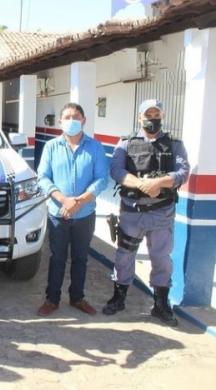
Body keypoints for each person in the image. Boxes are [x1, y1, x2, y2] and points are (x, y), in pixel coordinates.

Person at [102, 99, 189, 326]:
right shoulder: (125, 143)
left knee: (161, 259)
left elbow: (182, 171)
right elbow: (117, 170)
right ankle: (118, 298)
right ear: (140, 118)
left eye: (156, 114)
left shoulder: (175, 144)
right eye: (148, 114)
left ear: (162, 116)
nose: (152, 118)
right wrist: (142, 185)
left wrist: (159, 182)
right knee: (124, 256)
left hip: (161, 213)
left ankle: (160, 304)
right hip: (132, 213)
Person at [36, 102, 109, 317]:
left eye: (75, 116)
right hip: (58, 213)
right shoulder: (51, 147)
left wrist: (79, 202)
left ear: (84, 120)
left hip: (85, 213)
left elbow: (102, 179)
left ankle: (77, 297)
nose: (71, 121)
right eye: (67, 117)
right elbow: (43, 177)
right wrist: (63, 200)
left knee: (81, 257)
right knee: (57, 257)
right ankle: (52, 299)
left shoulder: (95, 147)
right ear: (60, 122)